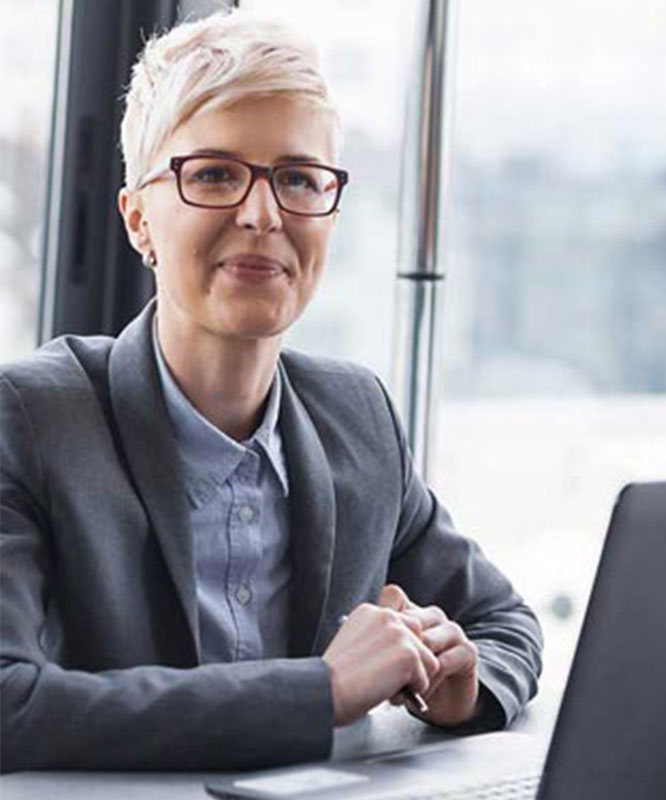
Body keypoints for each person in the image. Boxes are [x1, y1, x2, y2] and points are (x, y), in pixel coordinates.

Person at [0, 11, 541, 772]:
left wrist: (464, 683)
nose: (263, 215)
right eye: (215, 174)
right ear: (138, 220)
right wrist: (320, 692)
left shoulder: (359, 416)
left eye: (297, 178)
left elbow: (506, 623)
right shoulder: (31, 416)